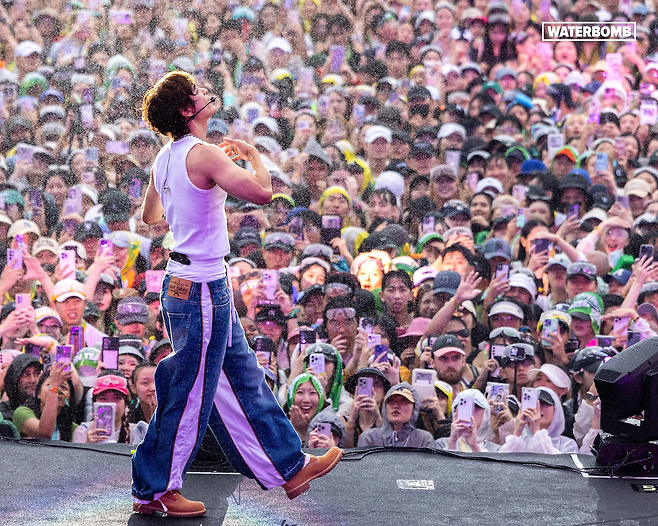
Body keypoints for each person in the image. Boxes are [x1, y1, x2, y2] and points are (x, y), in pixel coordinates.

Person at [131, 71, 342, 518]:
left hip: (187, 281)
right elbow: (263, 192)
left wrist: (194, 192)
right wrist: (252, 156)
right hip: (201, 288)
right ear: (187, 110)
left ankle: (289, 466)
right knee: (189, 391)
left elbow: (151, 215)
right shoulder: (202, 152)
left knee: (241, 376)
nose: (206, 93)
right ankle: (157, 487)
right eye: (197, 92)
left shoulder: (166, 156)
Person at [357, 382, 436, 449]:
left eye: (404, 400)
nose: (396, 406)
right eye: (391, 400)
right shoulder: (369, 438)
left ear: (414, 408)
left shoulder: (423, 439)